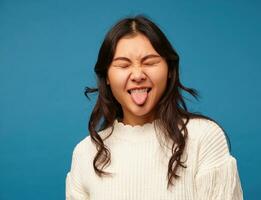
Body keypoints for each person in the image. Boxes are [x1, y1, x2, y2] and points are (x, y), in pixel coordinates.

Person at [66, 14, 243, 200]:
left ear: (169, 70)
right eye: (123, 65)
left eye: (150, 62)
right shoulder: (85, 153)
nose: (137, 75)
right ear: (107, 78)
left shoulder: (204, 137)